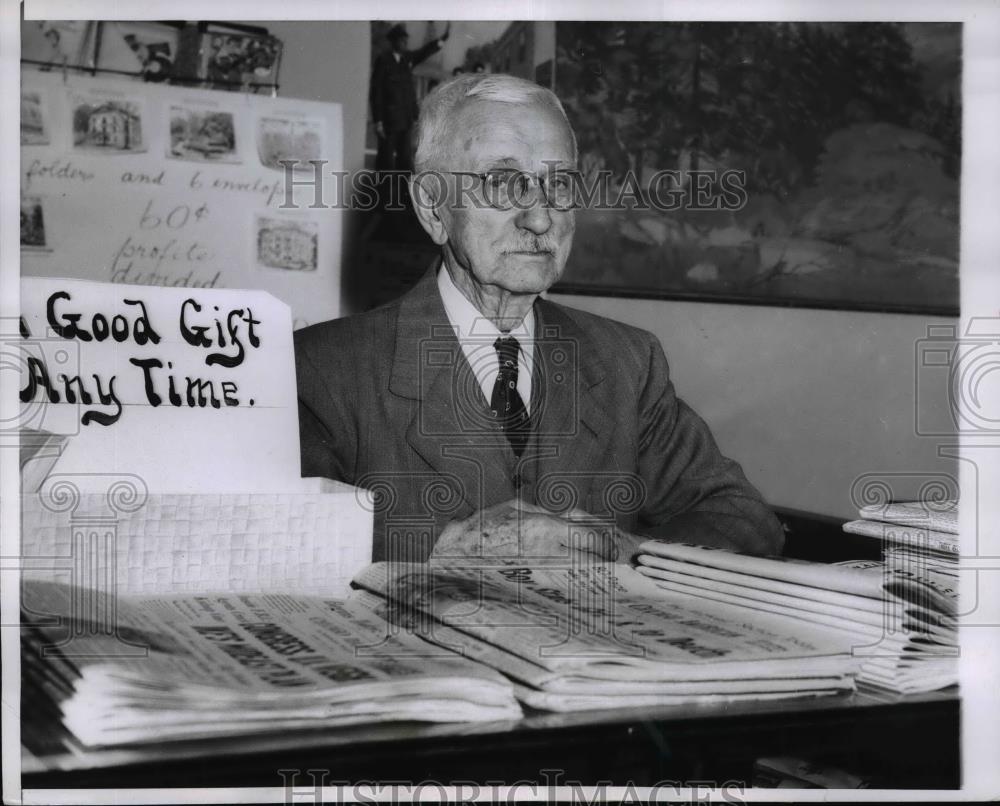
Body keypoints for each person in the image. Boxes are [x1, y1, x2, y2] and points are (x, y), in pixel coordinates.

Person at [296, 73, 784, 563]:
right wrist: (446, 548)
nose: (540, 218)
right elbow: (283, 543)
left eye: (560, 184)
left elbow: (743, 517)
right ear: (432, 208)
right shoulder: (323, 371)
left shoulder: (627, 361)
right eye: (503, 184)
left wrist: (619, 548)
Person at [369, 23, 450, 174]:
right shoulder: (383, 60)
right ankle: (382, 195)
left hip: (406, 120)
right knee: (385, 161)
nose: (405, 43)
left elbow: (425, 51)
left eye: (406, 40)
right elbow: (376, 92)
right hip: (388, 122)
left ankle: (405, 195)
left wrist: (441, 40)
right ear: (393, 42)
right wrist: (378, 121)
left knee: (405, 161)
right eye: (401, 40)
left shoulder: (408, 59)